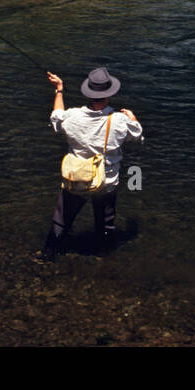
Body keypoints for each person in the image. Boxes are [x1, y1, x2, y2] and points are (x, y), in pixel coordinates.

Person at [39, 66, 142, 261]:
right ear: (109, 93)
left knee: (61, 220)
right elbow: (137, 135)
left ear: (89, 93)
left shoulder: (72, 116)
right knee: (105, 223)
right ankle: (103, 257)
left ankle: (47, 255)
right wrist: (132, 117)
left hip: (76, 178)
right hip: (105, 181)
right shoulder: (120, 120)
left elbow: (55, 118)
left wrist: (59, 89)